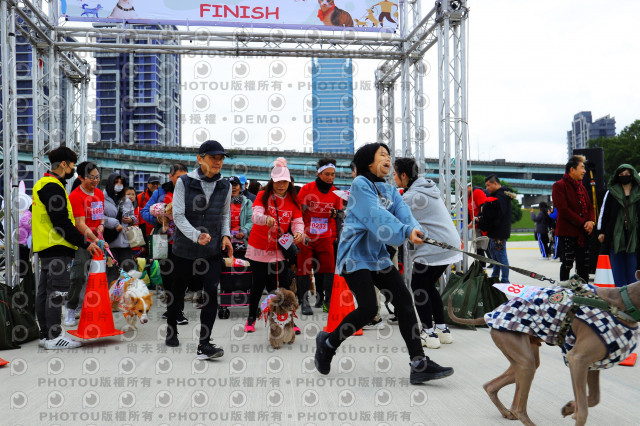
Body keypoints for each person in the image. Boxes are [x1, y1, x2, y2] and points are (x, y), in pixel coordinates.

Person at [314, 143, 454, 384]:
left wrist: (415, 229)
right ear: (368, 161)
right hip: (354, 255)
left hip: (377, 256)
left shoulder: (390, 190)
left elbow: (403, 212)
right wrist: (405, 231)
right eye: (382, 155)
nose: (388, 159)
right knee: (368, 308)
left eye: (388, 155)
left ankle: (419, 363)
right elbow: (376, 216)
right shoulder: (361, 185)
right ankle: (328, 343)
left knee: (404, 301)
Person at [165, 140, 232, 360]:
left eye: (221, 158)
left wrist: (226, 235)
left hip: (211, 250)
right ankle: (171, 327)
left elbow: (224, 215)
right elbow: (178, 215)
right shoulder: (184, 182)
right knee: (177, 292)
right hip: (184, 249)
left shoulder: (225, 185)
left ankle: (204, 344)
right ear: (200, 158)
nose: (218, 162)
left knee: (211, 292)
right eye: (213, 158)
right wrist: (196, 235)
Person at [32, 146, 104, 349]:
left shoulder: (42, 184)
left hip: (46, 246)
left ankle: (46, 335)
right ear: (64, 164)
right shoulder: (53, 186)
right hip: (57, 246)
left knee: (45, 292)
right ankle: (54, 336)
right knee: (56, 292)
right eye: (72, 165)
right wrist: (85, 243)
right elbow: (62, 223)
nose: (73, 169)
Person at [394, 157, 462, 349]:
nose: (393, 178)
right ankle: (442, 330)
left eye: (395, 174)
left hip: (435, 247)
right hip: (448, 244)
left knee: (418, 287)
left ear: (404, 175)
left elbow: (392, 216)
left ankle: (428, 333)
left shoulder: (412, 196)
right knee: (429, 286)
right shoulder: (427, 188)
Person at [244, 157, 304, 333]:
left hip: (280, 247)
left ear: (289, 182)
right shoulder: (262, 196)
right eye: (278, 182)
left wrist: (299, 232)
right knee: (258, 284)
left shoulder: (293, 200)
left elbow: (297, 221)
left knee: (283, 284)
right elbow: (255, 216)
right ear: (272, 181)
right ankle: (251, 318)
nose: (281, 185)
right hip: (259, 246)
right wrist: (265, 219)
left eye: (284, 182)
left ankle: (288, 319)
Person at [141, 163, 189, 322]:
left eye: (185, 177)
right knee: (167, 277)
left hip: (182, 241)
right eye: (179, 177)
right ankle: (171, 309)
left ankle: (178, 311)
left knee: (180, 276)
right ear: (171, 176)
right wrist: (157, 219)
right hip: (161, 241)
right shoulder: (160, 192)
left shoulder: (190, 192)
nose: (182, 180)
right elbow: (144, 211)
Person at [296, 158, 344, 315]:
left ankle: (327, 302)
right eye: (327, 174)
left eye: (333, 174)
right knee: (304, 269)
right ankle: (304, 302)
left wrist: (336, 214)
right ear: (319, 173)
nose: (330, 177)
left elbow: (340, 214)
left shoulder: (336, 193)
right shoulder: (307, 189)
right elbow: (298, 212)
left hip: (325, 237)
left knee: (328, 269)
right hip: (307, 237)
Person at [64, 162, 105, 327]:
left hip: (97, 239)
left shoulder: (99, 194)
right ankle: (71, 308)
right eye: (91, 177)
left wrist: (101, 225)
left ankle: (93, 309)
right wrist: (95, 240)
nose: (95, 180)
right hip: (82, 242)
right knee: (78, 276)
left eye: (97, 177)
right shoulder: (75, 196)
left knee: (98, 276)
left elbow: (100, 216)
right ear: (81, 178)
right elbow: (80, 224)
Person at [552, 155, 595, 282]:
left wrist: (591, 222)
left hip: (583, 232)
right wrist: (583, 223)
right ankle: (564, 289)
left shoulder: (582, 187)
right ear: (572, 169)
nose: (584, 171)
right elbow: (563, 209)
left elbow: (590, 207)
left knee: (584, 265)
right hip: (567, 232)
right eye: (582, 168)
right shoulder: (559, 186)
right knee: (567, 264)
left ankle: (584, 290)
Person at [597, 164, 640, 286]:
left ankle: (633, 294)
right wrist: (601, 232)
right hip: (615, 235)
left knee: (633, 267)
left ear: (632, 175)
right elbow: (604, 213)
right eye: (621, 174)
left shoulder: (638, 191)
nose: (624, 176)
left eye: (627, 174)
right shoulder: (611, 192)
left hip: (634, 235)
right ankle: (620, 293)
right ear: (617, 176)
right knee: (616, 267)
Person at [478, 175, 514, 283]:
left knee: (501, 256)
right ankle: (495, 276)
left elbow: (497, 214)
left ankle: (505, 280)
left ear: (495, 183)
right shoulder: (500, 195)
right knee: (495, 256)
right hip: (496, 232)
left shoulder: (501, 196)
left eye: (488, 185)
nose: (487, 188)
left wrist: (485, 214)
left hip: (499, 232)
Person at [103, 172, 137, 283]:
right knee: (111, 272)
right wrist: (114, 223)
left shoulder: (126, 200)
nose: (119, 185)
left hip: (125, 242)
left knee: (128, 271)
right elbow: (98, 217)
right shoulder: (101, 198)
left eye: (121, 183)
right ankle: (111, 293)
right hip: (109, 242)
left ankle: (127, 292)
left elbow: (134, 217)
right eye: (116, 182)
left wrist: (131, 219)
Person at [227, 176, 254, 255]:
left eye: (235, 185)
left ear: (240, 187)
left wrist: (243, 231)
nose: (233, 187)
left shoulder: (247, 203)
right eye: (230, 185)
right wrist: (225, 233)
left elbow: (251, 220)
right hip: (226, 241)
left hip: (243, 241)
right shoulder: (223, 203)